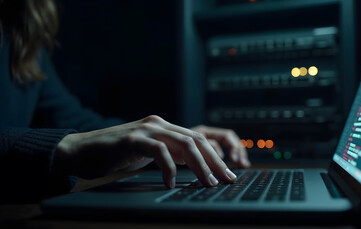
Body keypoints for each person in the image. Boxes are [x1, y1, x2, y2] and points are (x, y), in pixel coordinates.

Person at [0, 0, 250, 202]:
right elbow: (76, 143)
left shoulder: (21, 29)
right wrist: (67, 147)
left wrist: (167, 141)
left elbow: (75, 121)